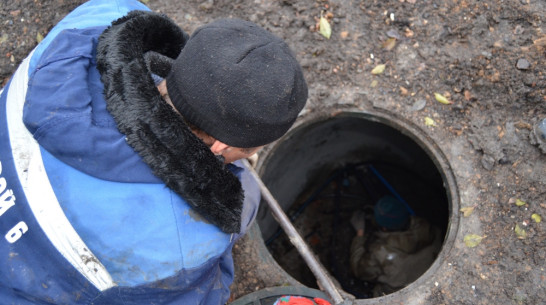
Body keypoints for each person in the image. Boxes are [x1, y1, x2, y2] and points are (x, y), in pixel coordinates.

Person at [0, 0, 307, 304]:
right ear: (221, 146)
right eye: (251, 148)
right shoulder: (181, 246)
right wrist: (240, 199)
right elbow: (207, 294)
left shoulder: (104, 14)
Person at [349, 196, 442, 297]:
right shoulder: (425, 226)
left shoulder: (379, 252)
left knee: (381, 293)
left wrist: (359, 233)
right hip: (433, 278)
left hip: (405, 294)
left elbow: (359, 271)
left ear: (384, 228)